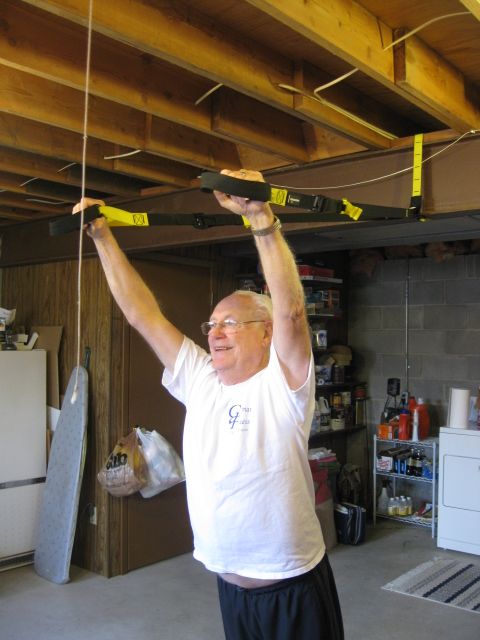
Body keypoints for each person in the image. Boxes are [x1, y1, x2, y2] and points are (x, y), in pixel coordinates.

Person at [74, 169, 344, 640]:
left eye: (231, 323)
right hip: (229, 588)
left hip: (291, 587)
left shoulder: (283, 385)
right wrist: (101, 237)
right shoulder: (200, 378)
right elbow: (142, 314)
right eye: (212, 324)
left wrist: (260, 216)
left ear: (266, 333)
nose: (215, 333)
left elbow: (292, 311)